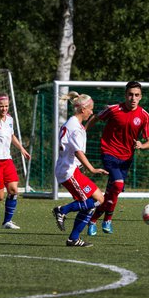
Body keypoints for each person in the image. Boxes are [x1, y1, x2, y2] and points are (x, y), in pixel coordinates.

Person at [85, 81, 149, 236]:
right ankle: (108, 219)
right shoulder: (114, 109)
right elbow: (96, 118)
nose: (133, 98)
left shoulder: (144, 116)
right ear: (125, 95)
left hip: (126, 159)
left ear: (141, 97)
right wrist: (82, 132)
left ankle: (93, 220)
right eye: (130, 94)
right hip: (109, 152)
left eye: (136, 95)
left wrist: (141, 145)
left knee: (112, 193)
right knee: (118, 184)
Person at [52, 91, 108, 247]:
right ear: (83, 109)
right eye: (90, 109)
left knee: (97, 200)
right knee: (94, 202)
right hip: (68, 171)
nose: (92, 112)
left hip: (71, 169)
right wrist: (92, 169)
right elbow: (77, 151)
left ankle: (73, 239)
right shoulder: (75, 127)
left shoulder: (73, 124)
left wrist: (81, 167)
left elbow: (73, 148)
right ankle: (62, 210)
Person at [0, 93, 31, 229]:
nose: (4, 109)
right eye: (1, 106)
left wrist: (22, 149)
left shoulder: (9, 119)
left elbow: (11, 135)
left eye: (6, 106)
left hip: (7, 160)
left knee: (13, 190)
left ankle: (7, 222)